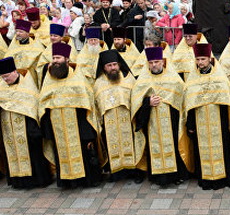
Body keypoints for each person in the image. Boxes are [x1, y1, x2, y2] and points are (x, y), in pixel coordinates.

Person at [39, 43, 103, 188]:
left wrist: (88, 134)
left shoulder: (78, 79)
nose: (55, 60)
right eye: (54, 57)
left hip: (78, 127)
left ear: (67, 59)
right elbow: (43, 106)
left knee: (83, 154)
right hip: (57, 129)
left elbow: (87, 107)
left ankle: (85, 181)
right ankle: (67, 182)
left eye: (59, 57)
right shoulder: (49, 78)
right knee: (61, 154)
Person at [131, 47, 190, 187]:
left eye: (157, 62)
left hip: (172, 121)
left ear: (163, 62)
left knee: (174, 145)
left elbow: (183, 99)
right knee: (155, 147)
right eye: (151, 62)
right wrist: (147, 103)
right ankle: (158, 177)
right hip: (152, 122)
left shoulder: (174, 79)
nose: (154, 65)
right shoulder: (142, 81)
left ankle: (176, 175)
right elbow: (136, 104)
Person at [182, 43, 230, 189]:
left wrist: (226, 124)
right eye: (198, 59)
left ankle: (224, 179)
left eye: (203, 59)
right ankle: (206, 180)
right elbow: (189, 104)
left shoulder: (220, 78)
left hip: (219, 122)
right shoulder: (192, 80)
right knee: (202, 150)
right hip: (200, 123)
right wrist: (191, 125)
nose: (200, 63)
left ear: (210, 59)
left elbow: (227, 101)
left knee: (222, 149)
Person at [0, 57, 52, 189]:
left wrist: (32, 129)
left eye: (6, 77)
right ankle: (18, 181)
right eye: (2, 77)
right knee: (13, 152)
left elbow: (33, 106)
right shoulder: (2, 86)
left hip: (26, 127)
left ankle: (37, 180)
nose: (5, 80)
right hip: (8, 128)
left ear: (14, 72)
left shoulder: (27, 86)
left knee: (32, 153)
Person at [94, 49, 143, 183]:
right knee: (111, 143)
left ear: (119, 64)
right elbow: (96, 106)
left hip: (128, 120)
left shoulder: (129, 78)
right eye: (109, 66)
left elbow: (137, 98)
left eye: (115, 64)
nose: (113, 68)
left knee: (132, 143)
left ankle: (134, 171)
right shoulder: (98, 83)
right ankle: (115, 172)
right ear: (104, 67)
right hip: (108, 121)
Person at [5, 19, 45, 86]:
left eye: (21, 32)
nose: (17, 33)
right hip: (16, 77)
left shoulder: (36, 45)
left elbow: (40, 63)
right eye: (17, 31)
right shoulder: (13, 45)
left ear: (27, 33)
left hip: (31, 76)